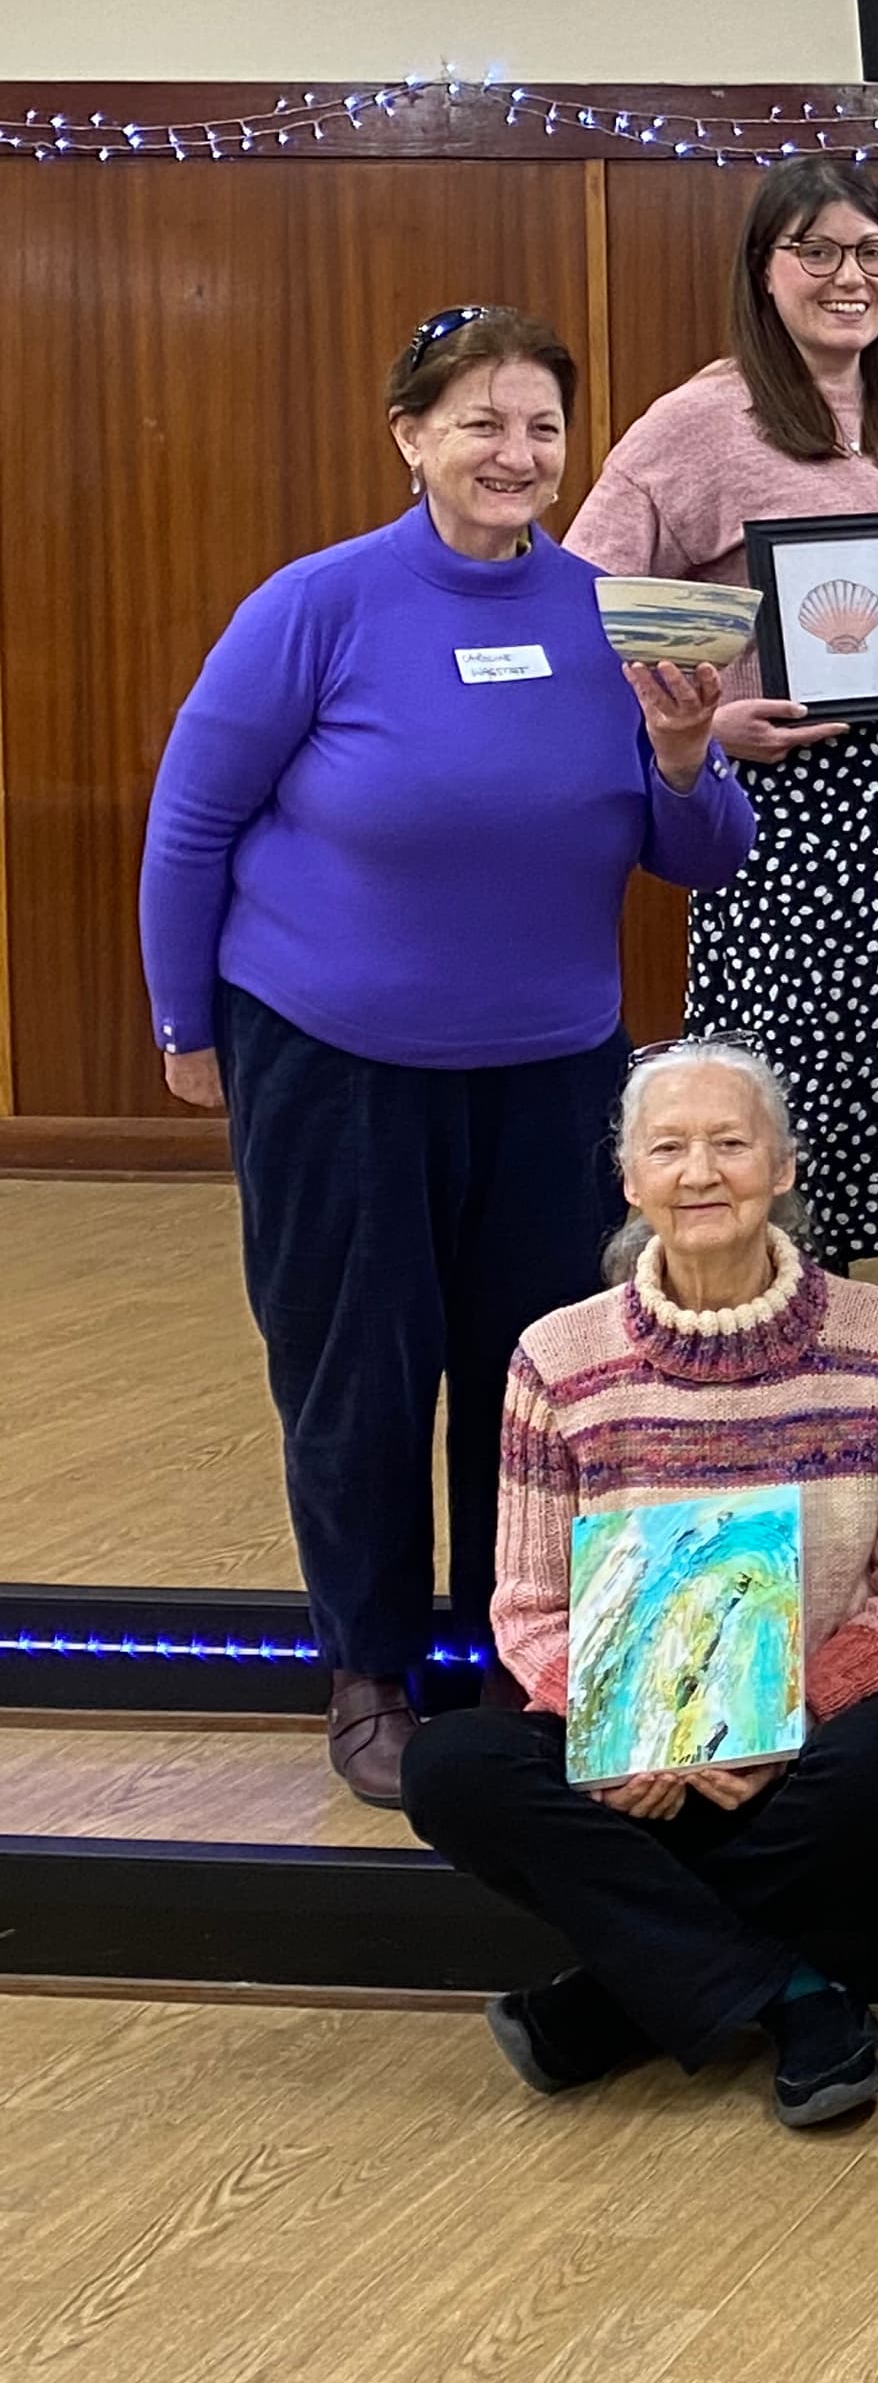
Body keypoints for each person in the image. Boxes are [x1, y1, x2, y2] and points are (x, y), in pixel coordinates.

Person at [138, 305, 754, 1808]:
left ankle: (514, 1657)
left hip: (551, 1071)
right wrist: (185, 1025)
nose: (514, 452)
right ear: (410, 434)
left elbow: (707, 851)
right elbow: (193, 821)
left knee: (535, 1382)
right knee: (356, 1374)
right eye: (479, 422)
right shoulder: (319, 605)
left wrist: (685, 759)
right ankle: (368, 1669)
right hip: (332, 1060)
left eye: (540, 425)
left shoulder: (621, 613)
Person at [566, 153, 878, 1513]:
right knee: (800, 1132)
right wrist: (704, 727)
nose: (850, 278)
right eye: (817, 252)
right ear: (765, 270)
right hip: (776, 828)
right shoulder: (696, 426)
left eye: (871, 253)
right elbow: (581, 613)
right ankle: (791, 1420)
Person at [400, 1044, 878, 2130]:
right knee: (451, 1763)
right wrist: (636, 1736)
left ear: (785, 1164)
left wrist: (785, 1713)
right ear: (628, 1179)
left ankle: (608, 2004)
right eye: (669, 1147)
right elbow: (525, 1606)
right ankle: (797, 1996)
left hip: (812, 1751)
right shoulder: (554, 1359)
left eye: (730, 1142)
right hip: (632, 1764)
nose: (700, 1171)